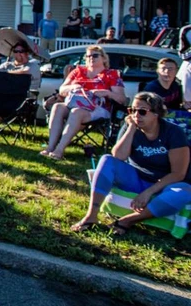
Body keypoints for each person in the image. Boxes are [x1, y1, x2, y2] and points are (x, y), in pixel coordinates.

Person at [72, 92, 191, 235]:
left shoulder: (173, 132)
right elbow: (118, 156)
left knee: (183, 193)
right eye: (132, 110)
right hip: (138, 178)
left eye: (142, 111)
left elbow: (178, 173)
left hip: (165, 184)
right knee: (106, 159)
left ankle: (127, 220)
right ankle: (91, 215)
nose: (136, 115)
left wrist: (149, 192)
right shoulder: (131, 127)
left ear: (156, 114)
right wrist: (131, 129)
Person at [41, 45, 125, 160]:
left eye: (95, 55)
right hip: (75, 102)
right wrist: (73, 87)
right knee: (57, 107)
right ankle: (50, 147)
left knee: (76, 112)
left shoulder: (111, 75)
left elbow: (121, 99)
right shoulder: (78, 71)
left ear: (104, 58)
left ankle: (59, 150)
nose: (91, 58)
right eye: (88, 56)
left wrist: (106, 92)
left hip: (99, 108)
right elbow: (62, 90)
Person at [0, 43, 40, 127]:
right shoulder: (6, 65)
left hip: (21, 100)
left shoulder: (33, 66)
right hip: (1, 98)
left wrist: (7, 74)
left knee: (6, 104)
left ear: (27, 53)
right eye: (16, 51)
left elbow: (25, 72)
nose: (18, 54)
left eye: (21, 51)